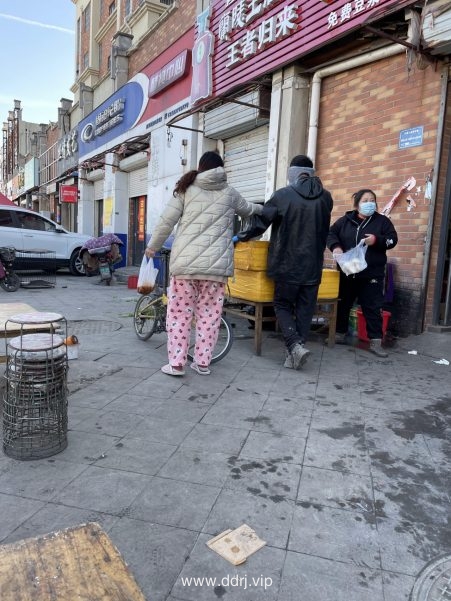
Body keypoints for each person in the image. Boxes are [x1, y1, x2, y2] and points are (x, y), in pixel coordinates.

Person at [144, 150, 263, 377]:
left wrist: (152, 247)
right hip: (216, 271)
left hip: (185, 268)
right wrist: (267, 208)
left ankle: (177, 365)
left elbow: (166, 221)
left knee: (180, 316)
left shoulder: (187, 189)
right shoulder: (229, 193)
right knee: (209, 316)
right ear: (221, 170)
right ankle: (202, 363)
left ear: (201, 166)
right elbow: (249, 209)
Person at [235, 155, 333, 370]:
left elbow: (261, 223)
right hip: (313, 265)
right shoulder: (326, 198)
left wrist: (240, 236)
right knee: (306, 309)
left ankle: (294, 345)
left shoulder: (282, 196)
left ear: (292, 174)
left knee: (282, 304)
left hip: (287, 264)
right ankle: (294, 352)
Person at [327, 188, 398, 357]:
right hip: (348, 271)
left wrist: (376, 240)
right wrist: (336, 247)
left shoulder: (382, 221)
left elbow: (392, 239)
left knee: (372, 307)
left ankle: (375, 341)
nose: (369, 203)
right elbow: (330, 233)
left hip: (371, 273)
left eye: (372, 200)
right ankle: (340, 334)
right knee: (343, 303)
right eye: (365, 200)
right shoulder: (345, 220)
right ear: (357, 204)